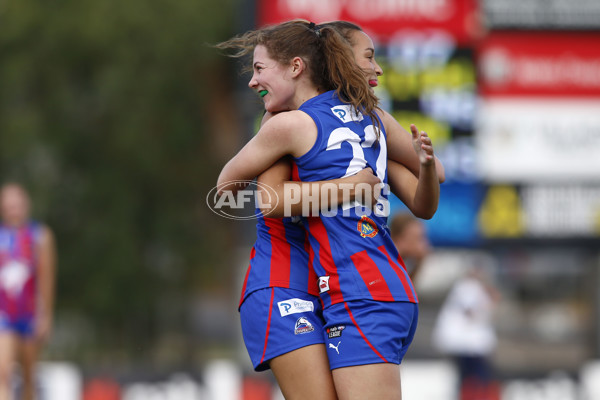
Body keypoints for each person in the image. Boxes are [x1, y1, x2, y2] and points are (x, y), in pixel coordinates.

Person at [217, 20, 440, 399]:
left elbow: (428, 181)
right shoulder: (282, 124)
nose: (375, 68)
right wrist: (350, 187)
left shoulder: (367, 122)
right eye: (368, 57)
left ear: (299, 67)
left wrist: (423, 162)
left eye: (259, 69)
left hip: (334, 290)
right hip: (283, 285)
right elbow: (249, 197)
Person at [0, 183, 56, 400]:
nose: (14, 209)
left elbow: (46, 278)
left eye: (17, 204)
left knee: (28, 377)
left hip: (30, 314)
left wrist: (46, 315)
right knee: (2, 372)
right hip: (4, 314)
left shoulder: (40, 235)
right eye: (9, 205)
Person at [432, 265, 501, 400]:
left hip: (468, 345)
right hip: (467, 345)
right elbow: (471, 311)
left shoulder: (473, 287)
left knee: (470, 377)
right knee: (475, 378)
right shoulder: (468, 287)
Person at [390, 212, 431, 282]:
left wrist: (418, 263)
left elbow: (407, 289)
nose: (426, 244)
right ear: (400, 240)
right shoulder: (385, 263)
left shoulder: (402, 262)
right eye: (419, 238)